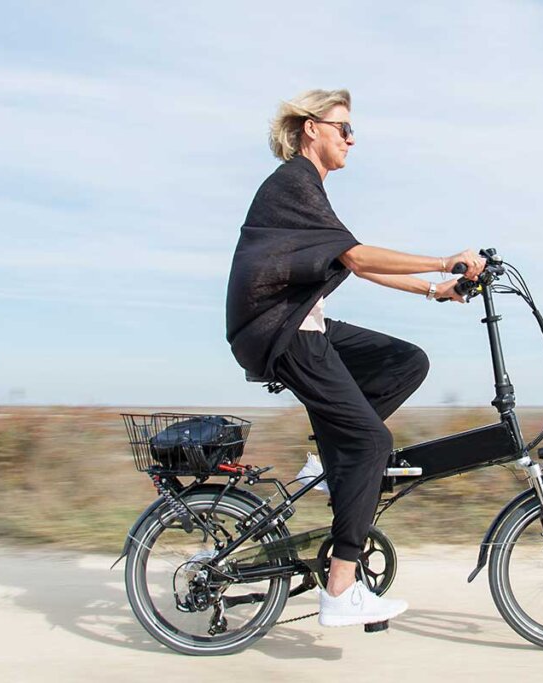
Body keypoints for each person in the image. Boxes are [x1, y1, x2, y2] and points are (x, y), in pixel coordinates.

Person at [225, 89, 485, 627]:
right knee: (372, 442)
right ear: (309, 129)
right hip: (283, 331)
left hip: (301, 323)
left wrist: (437, 290)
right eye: (342, 127)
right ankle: (341, 590)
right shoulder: (293, 183)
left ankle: (327, 456)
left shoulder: (308, 189)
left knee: (405, 361)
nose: (351, 138)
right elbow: (359, 256)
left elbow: (358, 265)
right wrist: (447, 260)